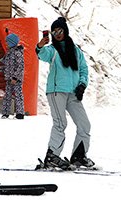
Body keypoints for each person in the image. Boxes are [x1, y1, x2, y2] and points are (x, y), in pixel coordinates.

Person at [35, 17, 94, 170]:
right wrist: (40, 46)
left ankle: (78, 156)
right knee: (60, 123)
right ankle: (52, 156)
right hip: (56, 91)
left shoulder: (75, 50)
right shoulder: (52, 50)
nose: (57, 34)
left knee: (84, 124)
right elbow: (42, 54)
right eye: (54, 32)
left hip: (73, 93)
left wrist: (82, 85)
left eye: (59, 31)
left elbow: (83, 69)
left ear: (65, 31)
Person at [0, 33, 25, 120]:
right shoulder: (9, 53)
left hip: (16, 79)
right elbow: (8, 66)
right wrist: (0, 69)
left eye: (7, 42)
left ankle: (20, 113)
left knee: (18, 95)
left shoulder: (17, 53)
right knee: (7, 95)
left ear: (11, 42)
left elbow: (20, 66)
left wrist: (15, 77)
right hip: (9, 78)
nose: (6, 43)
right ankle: (5, 113)